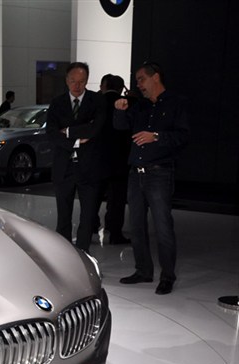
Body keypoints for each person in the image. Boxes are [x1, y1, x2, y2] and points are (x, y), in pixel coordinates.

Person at [115, 61, 189, 295]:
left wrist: (155, 136)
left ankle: (167, 276)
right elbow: (120, 127)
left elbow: (183, 136)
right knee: (136, 226)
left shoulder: (176, 103)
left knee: (163, 226)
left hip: (159, 173)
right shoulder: (140, 106)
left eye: (141, 79)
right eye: (137, 80)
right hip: (135, 173)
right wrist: (120, 109)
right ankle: (143, 270)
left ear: (155, 77)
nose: (138, 84)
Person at [46, 62, 106, 253]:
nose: (77, 85)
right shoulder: (57, 103)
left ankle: (83, 254)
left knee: (88, 216)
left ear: (87, 81)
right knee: (63, 216)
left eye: (81, 81)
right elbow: (52, 134)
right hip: (63, 167)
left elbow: (96, 129)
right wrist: (77, 141)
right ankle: (65, 255)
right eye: (73, 81)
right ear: (66, 80)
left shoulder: (97, 100)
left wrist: (69, 131)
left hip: (89, 168)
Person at [97, 74, 132, 244]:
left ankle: (90, 227)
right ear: (120, 88)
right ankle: (115, 231)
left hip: (98, 157)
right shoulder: (126, 103)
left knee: (94, 197)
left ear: (103, 86)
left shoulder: (96, 103)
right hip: (120, 159)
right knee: (117, 198)